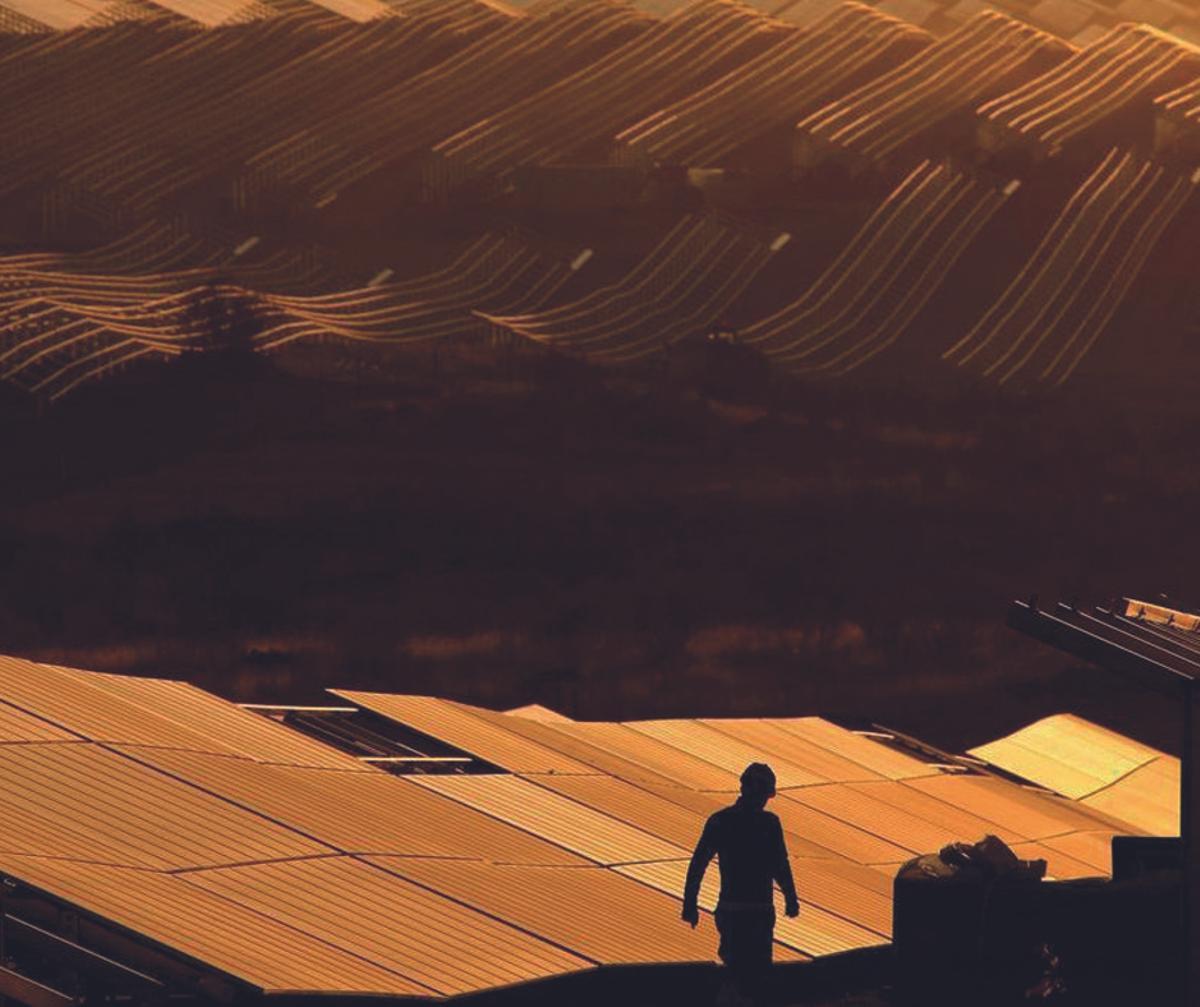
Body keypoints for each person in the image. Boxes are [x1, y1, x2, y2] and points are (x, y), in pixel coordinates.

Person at [682, 762, 799, 1004]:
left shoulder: (721, 821)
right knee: (754, 975)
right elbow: (780, 864)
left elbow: (699, 863)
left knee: (738, 972)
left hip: (735, 911)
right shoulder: (768, 824)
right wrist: (790, 898)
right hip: (756, 912)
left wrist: (690, 904)